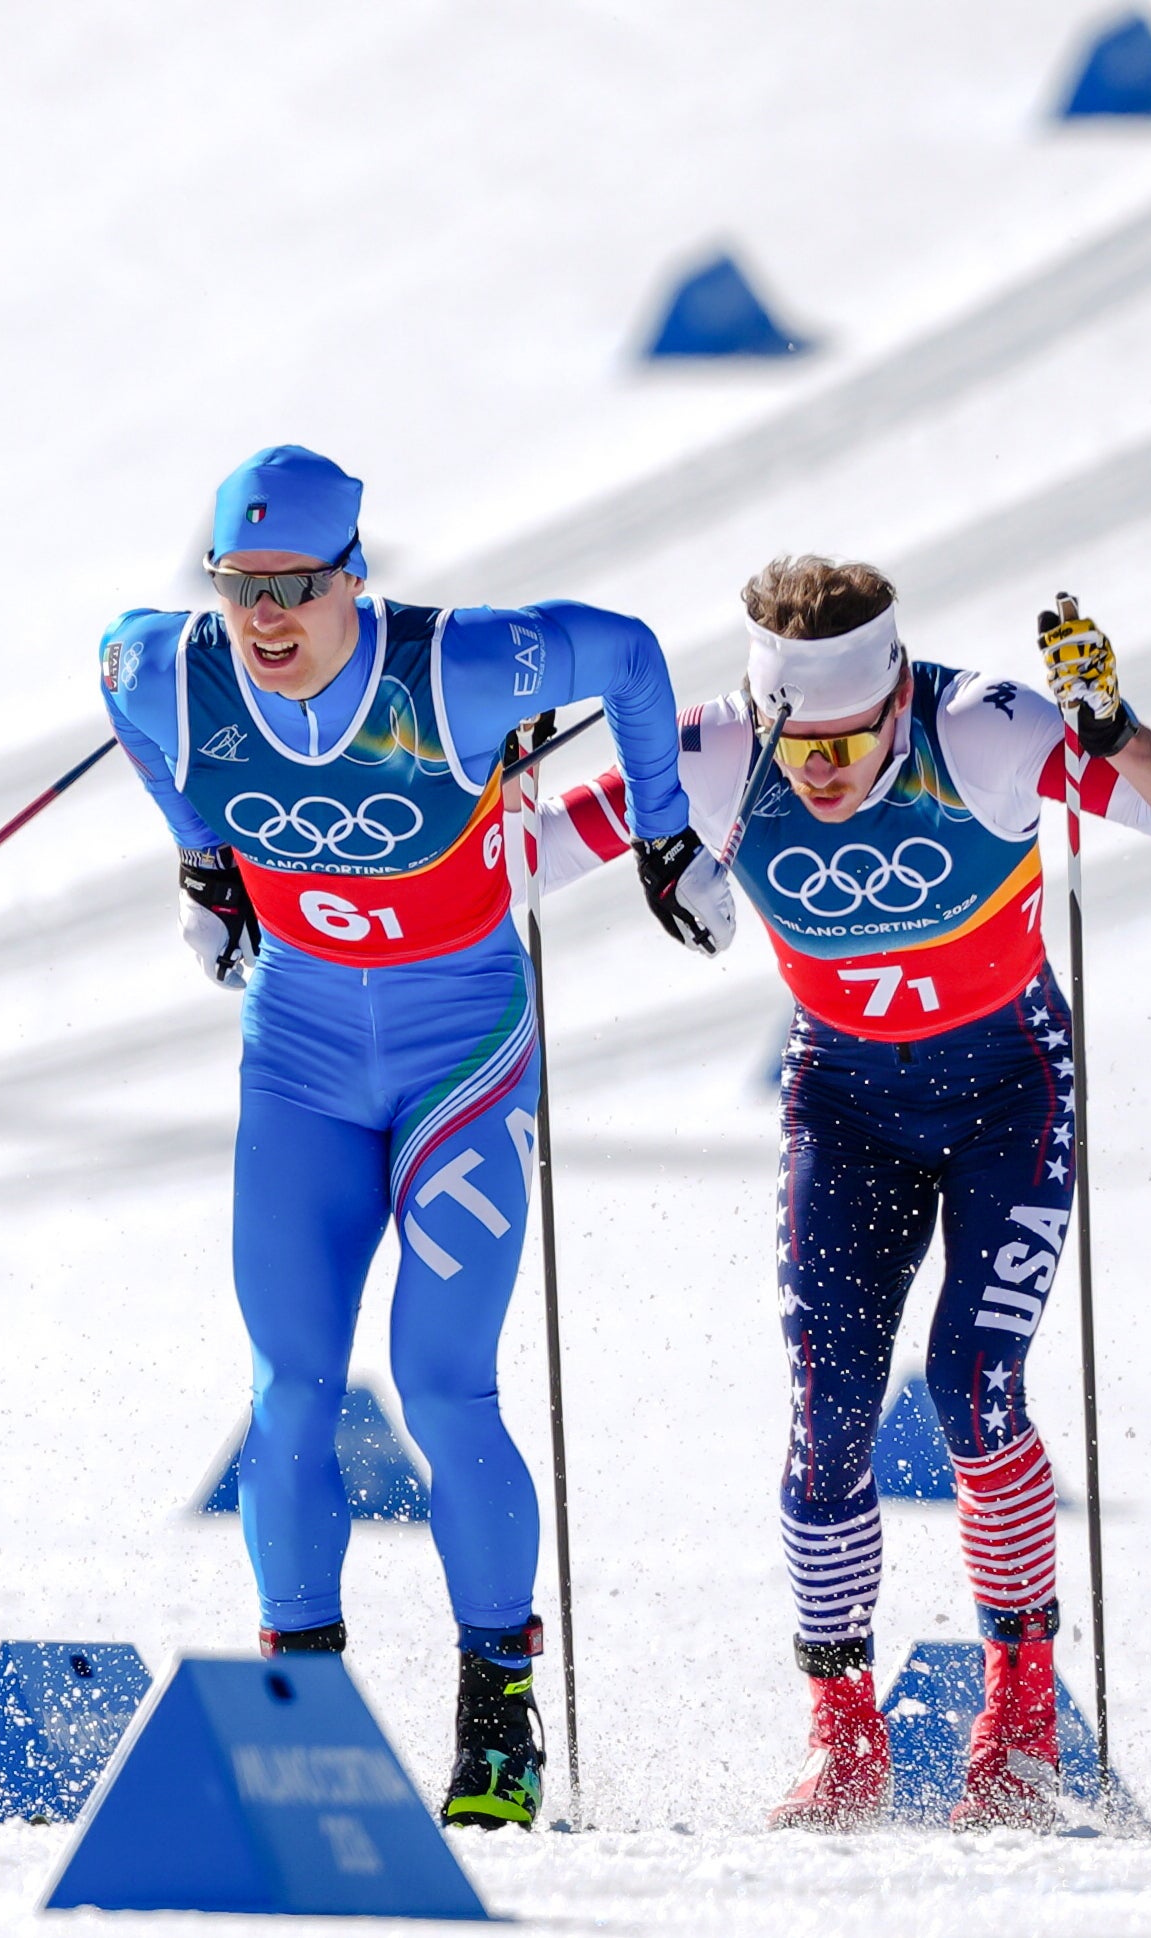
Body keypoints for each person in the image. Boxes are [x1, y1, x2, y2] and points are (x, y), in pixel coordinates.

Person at [537, 558, 1151, 1830]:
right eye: (795, 743)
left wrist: (1116, 732)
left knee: (974, 1390)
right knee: (827, 1417)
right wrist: (492, 775)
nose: (820, 770)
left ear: (896, 695)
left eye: (849, 740)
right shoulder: (711, 751)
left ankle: (1021, 1717)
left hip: (1006, 1094)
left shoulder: (981, 730)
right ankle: (842, 1730)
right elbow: (512, 861)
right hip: (847, 1103)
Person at [97, 445, 707, 1830]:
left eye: (297, 587)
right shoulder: (168, 676)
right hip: (299, 1064)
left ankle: (496, 1711)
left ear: (353, 578)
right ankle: (302, 1706)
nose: (265, 616)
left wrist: (665, 840)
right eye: (240, 586)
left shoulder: (457, 671)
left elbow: (626, 654)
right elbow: (114, 672)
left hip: (460, 1065)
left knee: (438, 1385)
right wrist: (200, 847)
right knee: (289, 1386)